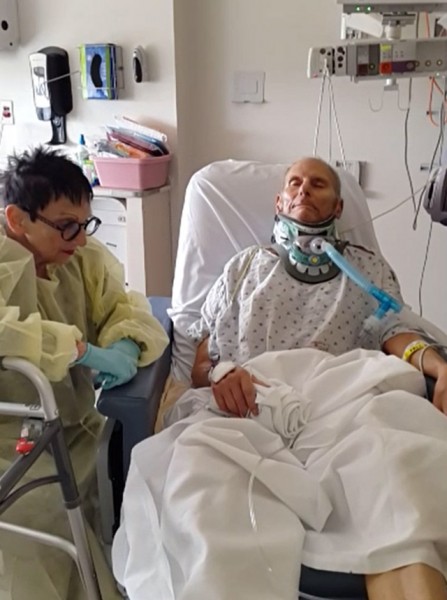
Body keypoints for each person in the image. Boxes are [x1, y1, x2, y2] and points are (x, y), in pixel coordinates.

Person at [114, 157, 447, 600]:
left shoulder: (369, 271)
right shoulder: (244, 268)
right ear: (279, 201)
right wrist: (221, 372)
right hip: (248, 409)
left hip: (346, 407)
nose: (304, 190)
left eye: (318, 184)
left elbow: (393, 332)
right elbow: (201, 361)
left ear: (339, 205)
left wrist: (439, 365)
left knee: (398, 484)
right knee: (201, 495)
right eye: (294, 183)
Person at [0, 146, 169, 599]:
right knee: (27, 534)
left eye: (85, 223)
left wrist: (126, 342)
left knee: (112, 499)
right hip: (5, 437)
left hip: (69, 431)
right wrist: (77, 351)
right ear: (17, 219)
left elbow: (124, 304)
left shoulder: (79, 255)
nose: (79, 238)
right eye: (65, 226)